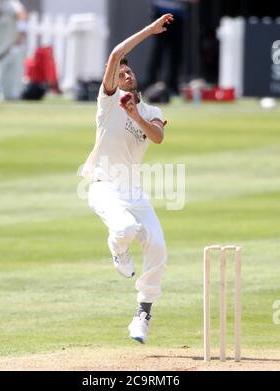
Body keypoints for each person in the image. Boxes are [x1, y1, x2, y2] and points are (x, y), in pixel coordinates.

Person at [81, 14, 173, 344]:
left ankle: (142, 314)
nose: (125, 73)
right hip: (103, 186)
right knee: (123, 230)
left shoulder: (149, 112)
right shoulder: (106, 103)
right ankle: (118, 251)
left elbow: (158, 137)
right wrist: (150, 30)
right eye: (120, 72)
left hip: (135, 192)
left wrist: (136, 114)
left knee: (159, 248)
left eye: (129, 70)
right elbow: (115, 54)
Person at [146, 0, 196, 95]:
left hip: (179, 14)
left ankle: (173, 85)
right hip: (162, 12)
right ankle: (152, 84)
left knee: (177, 52)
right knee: (159, 50)